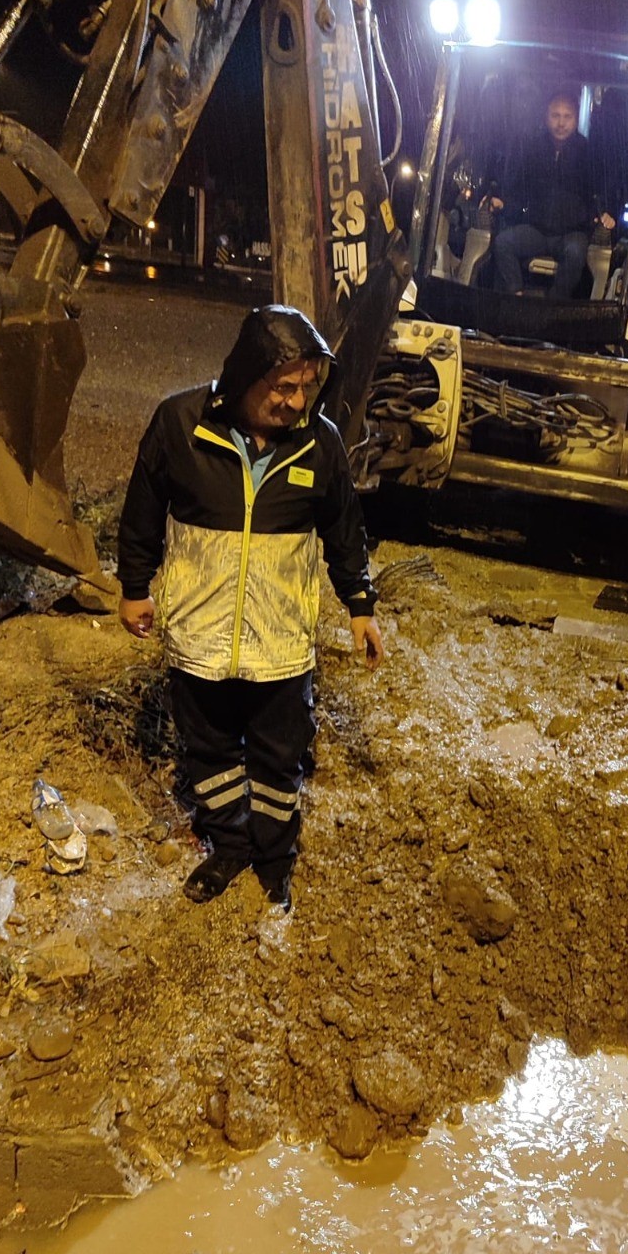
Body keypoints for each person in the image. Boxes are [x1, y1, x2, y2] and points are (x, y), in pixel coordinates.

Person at [117, 304, 384, 909]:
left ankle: (273, 860)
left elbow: (344, 528)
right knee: (207, 750)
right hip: (199, 635)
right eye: (283, 385)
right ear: (246, 373)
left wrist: (359, 604)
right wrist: (135, 586)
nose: (295, 401)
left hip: (282, 643)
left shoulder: (320, 444)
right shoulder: (179, 423)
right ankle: (229, 848)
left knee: (278, 758)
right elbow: (141, 512)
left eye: (306, 388)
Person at [490, 89, 614, 297]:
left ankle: (554, 304)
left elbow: (600, 188)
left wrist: (606, 212)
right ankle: (517, 296)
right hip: (536, 230)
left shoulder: (587, 151)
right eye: (555, 116)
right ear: (546, 117)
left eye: (567, 117)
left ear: (576, 118)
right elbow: (519, 186)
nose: (561, 123)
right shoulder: (534, 148)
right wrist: (503, 202)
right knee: (503, 242)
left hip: (571, 233)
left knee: (576, 252)